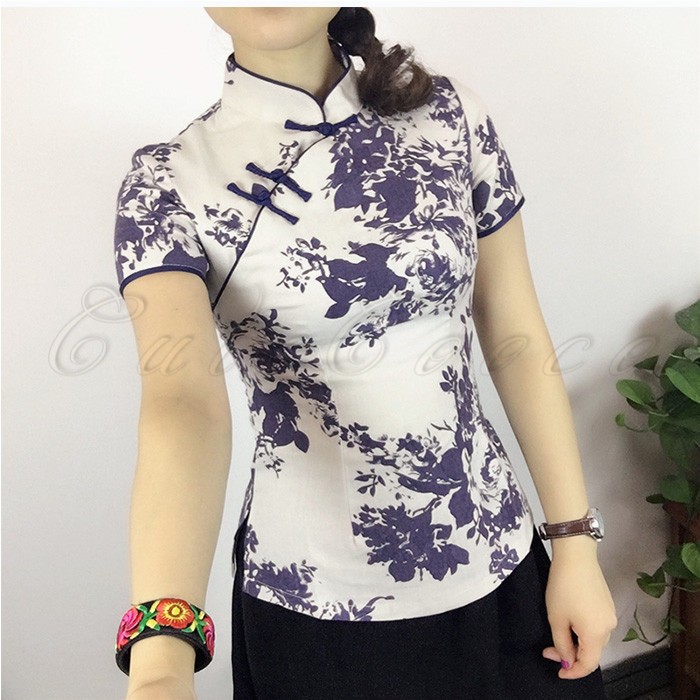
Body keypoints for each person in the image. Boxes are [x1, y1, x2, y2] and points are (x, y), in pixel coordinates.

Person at [113, 7, 618, 699]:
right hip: (317, 611)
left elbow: (516, 334)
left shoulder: (448, 115)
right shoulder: (167, 183)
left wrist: (574, 542)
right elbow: (182, 406)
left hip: (501, 565)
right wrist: (160, 657)